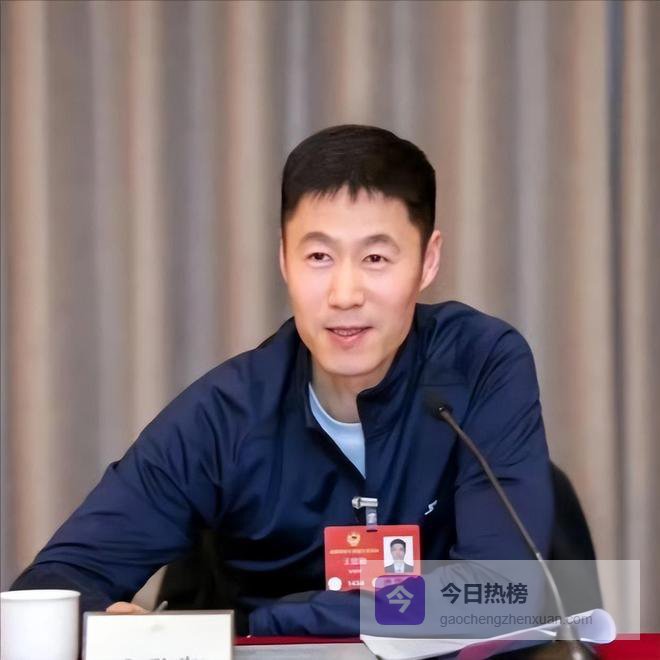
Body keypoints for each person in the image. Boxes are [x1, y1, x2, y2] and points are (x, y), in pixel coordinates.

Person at [11, 124, 553, 636]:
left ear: (427, 261)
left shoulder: (479, 365)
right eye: (318, 256)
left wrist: (279, 619)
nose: (345, 294)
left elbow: (500, 596)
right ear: (284, 260)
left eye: (375, 257)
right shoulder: (227, 415)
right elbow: (51, 588)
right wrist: (112, 625)